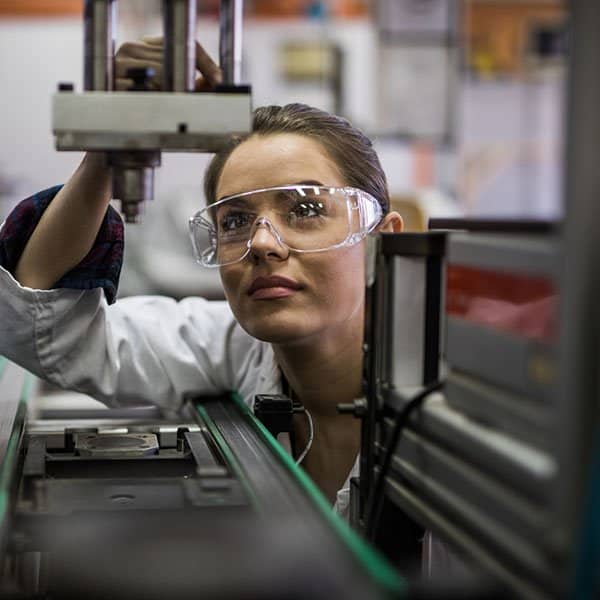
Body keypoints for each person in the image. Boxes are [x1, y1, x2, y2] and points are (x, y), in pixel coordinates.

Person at [0, 38, 402, 515]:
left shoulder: (456, 401)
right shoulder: (233, 347)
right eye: (234, 221)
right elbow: (41, 327)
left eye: (307, 209)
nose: (262, 243)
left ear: (382, 240)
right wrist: (109, 149)